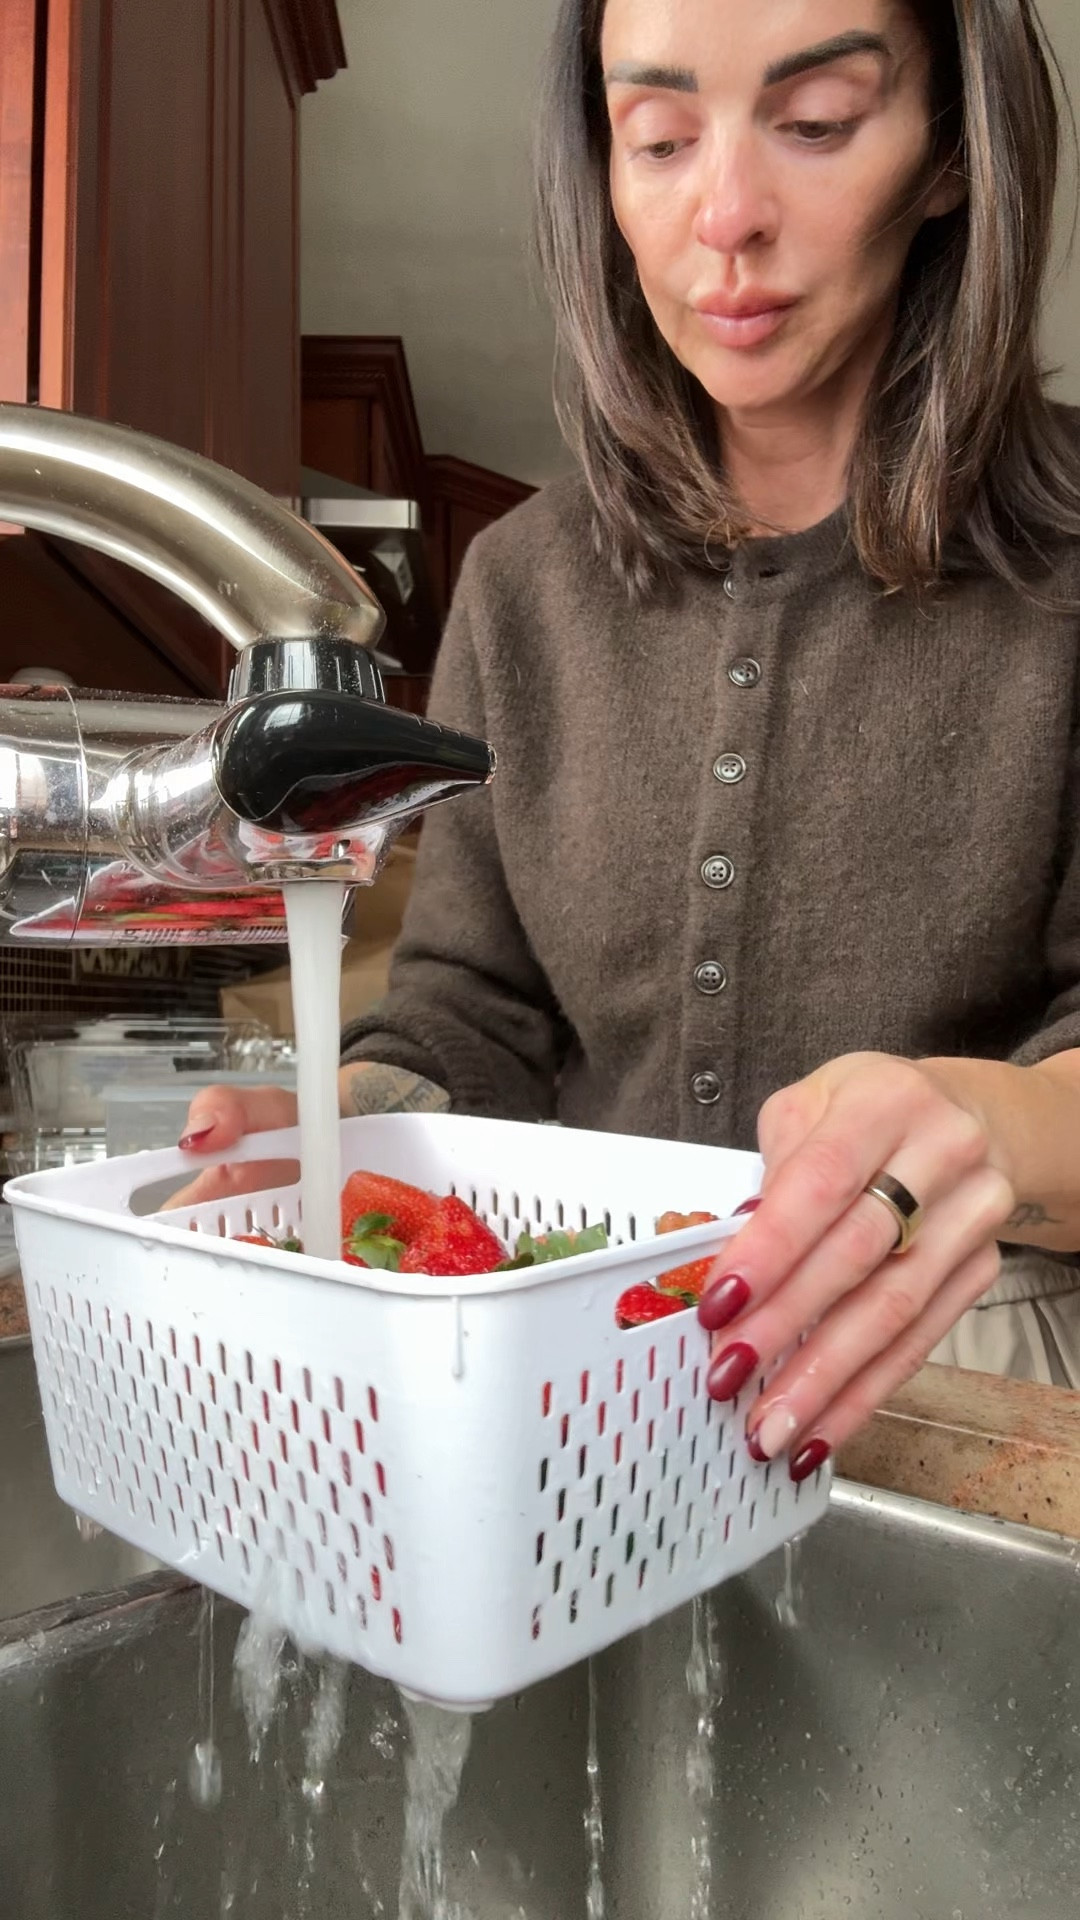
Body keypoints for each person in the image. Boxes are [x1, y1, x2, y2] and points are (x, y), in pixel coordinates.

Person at [180, 0, 1080, 1482]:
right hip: (590, 1375)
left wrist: (1006, 1120)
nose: (724, 218)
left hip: (979, 1382)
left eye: (816, 124)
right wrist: (352, 1127)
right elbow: (471, 1013)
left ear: (951, 153)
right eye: (658, 140)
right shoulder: (522, 587)